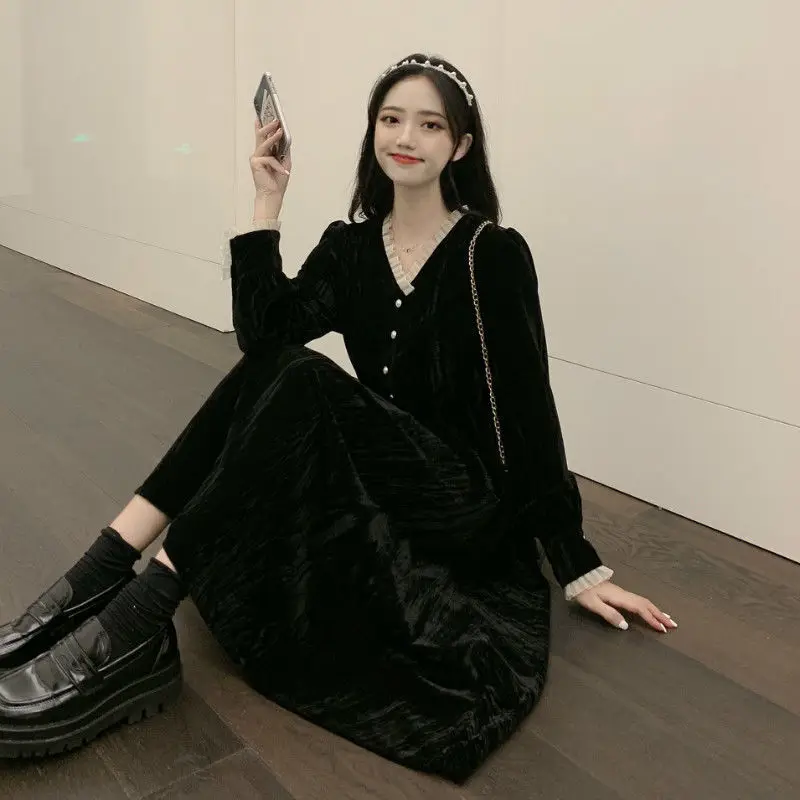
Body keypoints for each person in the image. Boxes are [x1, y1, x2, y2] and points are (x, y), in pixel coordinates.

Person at [0, 53, 677, 781]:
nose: (405, 137)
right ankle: (103, 574)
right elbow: (264, 339)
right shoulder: (350, 248)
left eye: (429, 125)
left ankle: (130, 626)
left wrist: (576, 565)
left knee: (301, 377)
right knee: (280, 367)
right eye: (391, 119)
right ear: (372, 131)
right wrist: (267, 204)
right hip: (379, 485)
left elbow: (528, 412)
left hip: (460, 503)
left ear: (460, 146)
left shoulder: (491, 255)